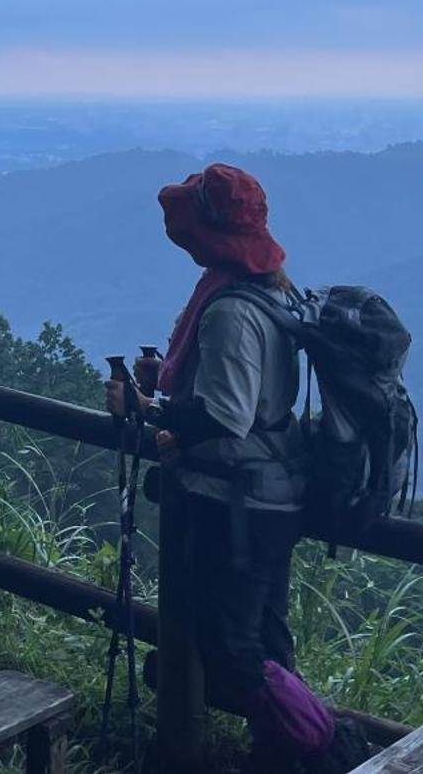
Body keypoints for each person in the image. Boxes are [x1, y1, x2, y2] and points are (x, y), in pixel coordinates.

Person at [105, 162, 359, 773]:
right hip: (273, 494)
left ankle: (329, 753)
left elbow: (226, 416)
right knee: (266, 640)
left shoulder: (228, 310)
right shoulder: (269, 290)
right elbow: (244, 395)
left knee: (233, 650)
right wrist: (169, 385)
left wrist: (147, 407)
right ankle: (282, 758)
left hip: (237, 504)